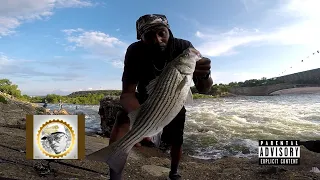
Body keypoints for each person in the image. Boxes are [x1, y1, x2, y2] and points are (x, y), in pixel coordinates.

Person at [108, 14, 213, 180]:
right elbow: (127, 94)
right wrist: (143, 123)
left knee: (177, 138)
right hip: (145, 98)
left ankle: (174, 172)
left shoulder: (183, 47)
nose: (157, 40)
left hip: (174, 99)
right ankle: (115, 175)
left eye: (161, 33)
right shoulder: (134, 51)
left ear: (168, 31)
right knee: (122, 118)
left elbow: (205, 90)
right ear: (140, 38)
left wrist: (205, 75)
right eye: (149, 36)